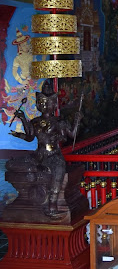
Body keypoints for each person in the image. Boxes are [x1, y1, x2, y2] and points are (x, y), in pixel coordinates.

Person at [9, 81, 82, 217]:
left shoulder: (59, 121)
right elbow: (30, 137)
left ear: (54, 104)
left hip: (53, 154)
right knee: (12, 164)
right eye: (41, 102)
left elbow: (72, 135)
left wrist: (77, 121)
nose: (44, 105)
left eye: (48, 102)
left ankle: (52, 203)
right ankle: (28, 196)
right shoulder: (35, 121)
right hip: (38, 154)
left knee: (59, 170)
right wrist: (22, 121)